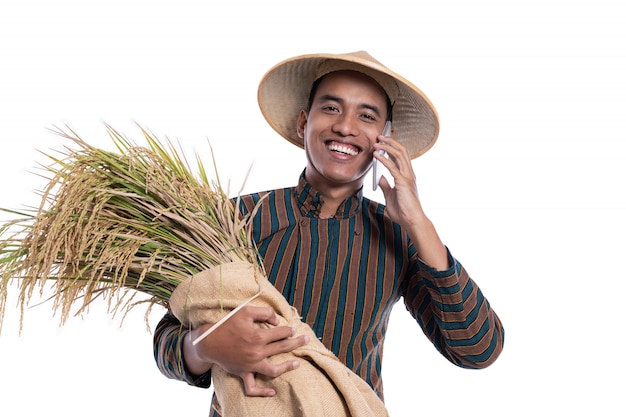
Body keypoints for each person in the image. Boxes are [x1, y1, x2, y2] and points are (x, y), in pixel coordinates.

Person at [153, 51, 505, 414]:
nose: (345, 127)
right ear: (303, 123)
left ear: (385, 139)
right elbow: (166, 338)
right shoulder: (234, 218)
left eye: (367, 116)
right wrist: (204, 347)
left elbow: (478, 349)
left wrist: (419, 224)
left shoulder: (400, 236)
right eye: (331, 109)